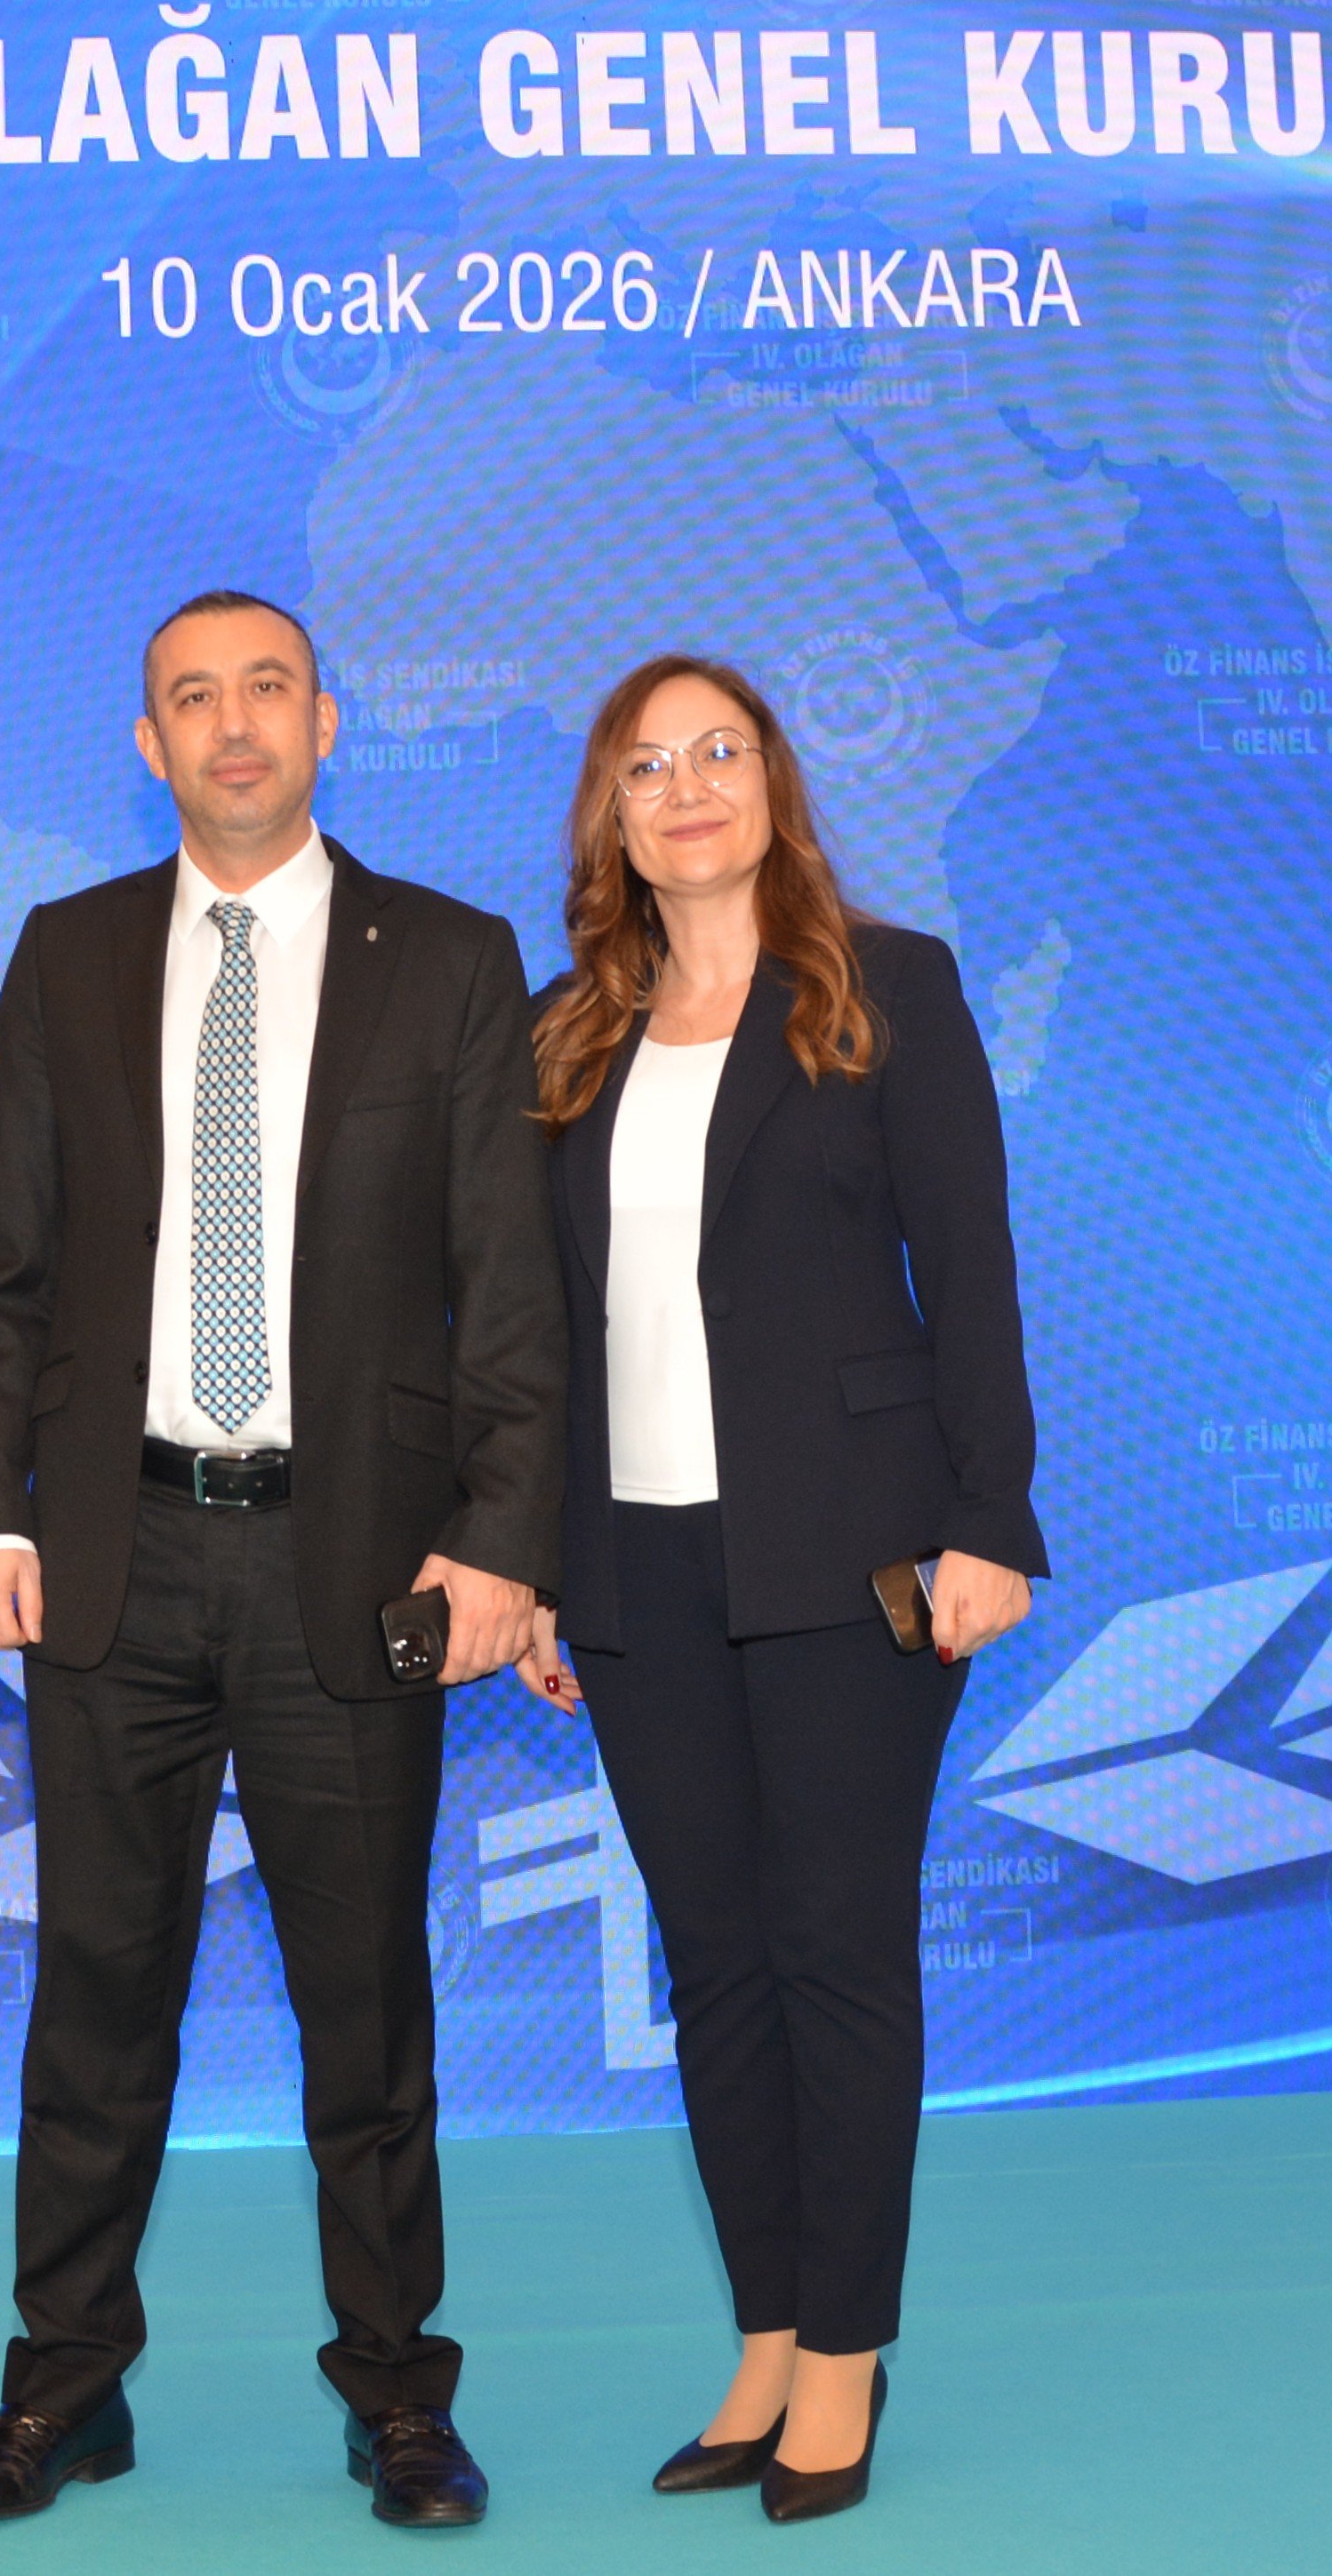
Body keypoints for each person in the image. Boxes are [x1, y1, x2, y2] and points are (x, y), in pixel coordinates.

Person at [0, 590, 566, 2529]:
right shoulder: (68, 950)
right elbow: (0, 1265)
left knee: (365, 2008)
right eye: (192, 698)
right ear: (147, 745)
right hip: (113, 1556)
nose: (232, 725)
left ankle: (399, 2397)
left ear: (326, 720)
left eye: (265, 688)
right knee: (94, 2001)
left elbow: (507, 1282)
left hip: (352, 1569)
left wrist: (500, 1540)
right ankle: (62, 2388)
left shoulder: (447, 958)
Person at [514, 653, 1043, 2524]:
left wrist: (995, 1521)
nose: (687, 786)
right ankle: (765, 2332)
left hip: (853, 1554)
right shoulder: (568, 1030)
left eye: (718, 750)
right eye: (646, 764)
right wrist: (543, 1565)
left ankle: (846, 2354)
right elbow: (536, 1328)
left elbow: (970, 1269)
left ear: (774, 782)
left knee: (835, 1950)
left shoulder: (887, 987)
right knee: (716, 1969)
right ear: (611, 814)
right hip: (637, 1565)